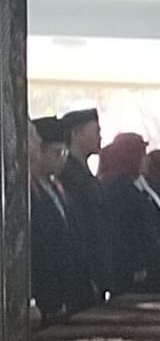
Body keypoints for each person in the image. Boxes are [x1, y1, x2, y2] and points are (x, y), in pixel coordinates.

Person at [28, 117, 97, 324]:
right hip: (49, 291)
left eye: (65, 153)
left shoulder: (58, 187)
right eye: (56, 153)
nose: (62, 160)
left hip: (73, 287)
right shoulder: (29, 192)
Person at [99, 132, 160, 294]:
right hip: (134, 271)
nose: (145, 160)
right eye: (141, 155)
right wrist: (137, 265)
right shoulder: (117, 188)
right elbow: (123, 230)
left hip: (152, 265)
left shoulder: (143, 184)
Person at [57, 107, 111, 295]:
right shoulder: (69, 175)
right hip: (83, 270)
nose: (100, 137)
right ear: (76, 133)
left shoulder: (83, 173)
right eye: (96, 131)